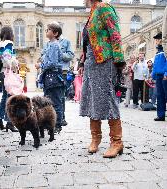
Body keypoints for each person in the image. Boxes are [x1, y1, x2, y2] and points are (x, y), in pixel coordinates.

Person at [79, 0, 125, 158]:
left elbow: (115, 34)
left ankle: (117, 142)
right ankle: (95, 138)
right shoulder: (92, 11)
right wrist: (82, 62)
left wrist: (119, 60)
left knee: (107, 98)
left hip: (104, 61)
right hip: (91, 62)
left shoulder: (104, 7)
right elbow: (88, 41)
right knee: (92, 99)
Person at [35, 22, 64, 133]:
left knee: (55, 102)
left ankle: (57, 125)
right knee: (49, 101)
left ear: (55, 33)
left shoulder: (54, 45)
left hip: (54, 77)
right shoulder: (50, 44)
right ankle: (51, 123)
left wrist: (40, 65)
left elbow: (52, 62)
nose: (46, 31)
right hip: (50, 77)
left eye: (48, 29)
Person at [0, 26, 18, 132]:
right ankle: (9, 122)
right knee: (10, 98)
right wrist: (14, 66)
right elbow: (8, 58)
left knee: (5, 97)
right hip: (8, 72)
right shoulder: (9, 43)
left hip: (2, 73)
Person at [151, 32, 167, 121]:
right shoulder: (157, 52)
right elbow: (155, 65)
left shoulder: (165, 51)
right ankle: (161, 115)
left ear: (161, 40)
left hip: (164, 76)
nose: (156, 41)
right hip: (158, 76)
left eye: (157, 39)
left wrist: (166, 73)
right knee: (159, 95)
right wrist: (152, 75)